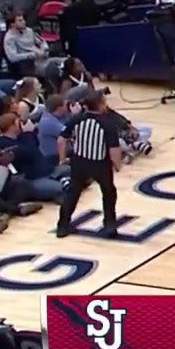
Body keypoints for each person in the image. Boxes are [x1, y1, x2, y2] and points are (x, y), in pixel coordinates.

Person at [54, 90, 121, 238]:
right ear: (101, 105)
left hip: (79, 162)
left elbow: (61, 139)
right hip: (100, 164)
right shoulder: (107, 124)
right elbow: (114, 149)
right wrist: (117, 165)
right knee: (109, 192)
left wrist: (62, 158)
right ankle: (109, 225)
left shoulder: (77, 119)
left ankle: (62, 226)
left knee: (73, 193)